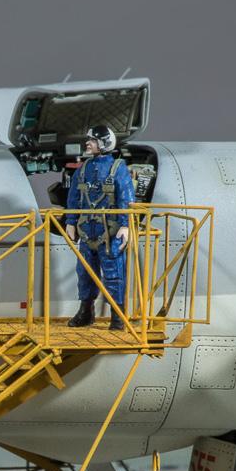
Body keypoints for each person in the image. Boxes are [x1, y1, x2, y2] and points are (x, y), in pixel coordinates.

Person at [64, 123, 136, 329]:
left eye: (93, 140)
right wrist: (70, 222)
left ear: (104, 143)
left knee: (114, 274)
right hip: (87, 232)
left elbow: (126, 197)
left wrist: (126, 225)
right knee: (84, 272)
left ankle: (117, 316)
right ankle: (86, 311)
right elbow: (74, 197)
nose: (88, 143)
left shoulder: (118, 168)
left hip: (110, 233)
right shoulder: (84, 169)